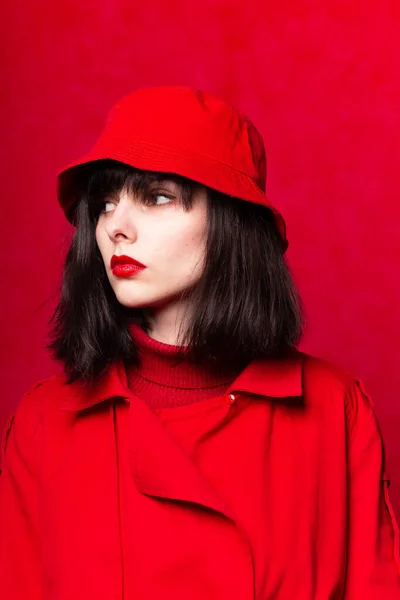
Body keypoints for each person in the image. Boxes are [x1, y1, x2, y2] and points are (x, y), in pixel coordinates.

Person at [0, 85, 399, 600]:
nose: (116, 228)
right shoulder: (45, 423)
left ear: (230, 223)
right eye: (104, 204)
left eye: (157, 196)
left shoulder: (333, 410)